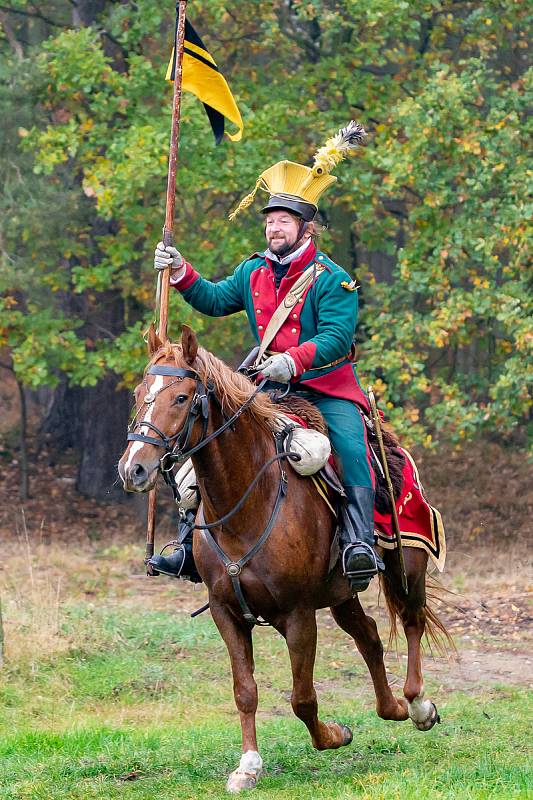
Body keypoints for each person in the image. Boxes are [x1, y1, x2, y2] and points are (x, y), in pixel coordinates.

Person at [149, 121, 384, 593]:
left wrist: (293, 360)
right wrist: (180, 271)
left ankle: (359, 541)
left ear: (305, 227)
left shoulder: (332, 278)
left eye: (284, 221)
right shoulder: (252, 270)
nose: (274, 227)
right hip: (264, 386)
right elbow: (215, 300)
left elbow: (338, 336)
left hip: (324, 386)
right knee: (201, 442)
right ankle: (187, 544)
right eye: (270, 221)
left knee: (352, 447)